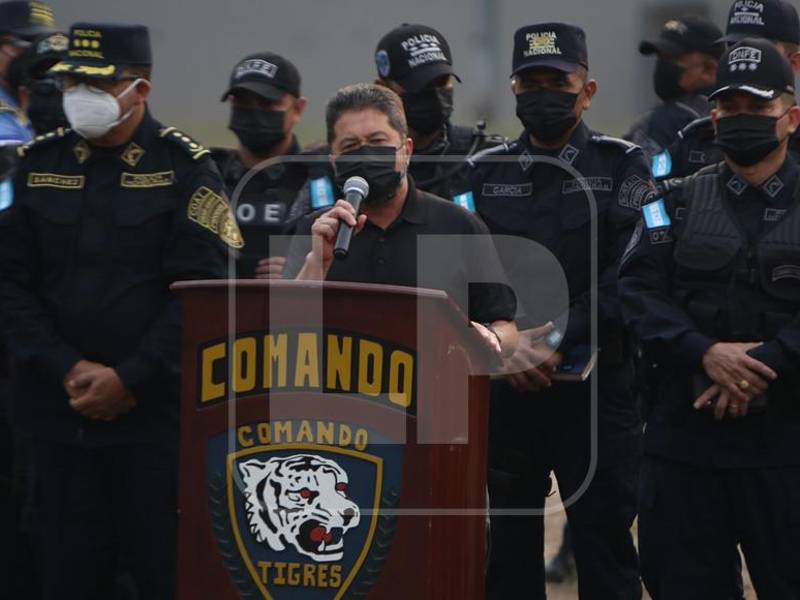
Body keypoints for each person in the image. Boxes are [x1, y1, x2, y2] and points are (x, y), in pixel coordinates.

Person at [0, 23, 238, 600]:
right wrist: (65, 367)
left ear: (141, 90)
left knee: (161, 573)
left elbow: (208, 290)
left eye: (99, 84)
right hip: (57, 419)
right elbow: (9, 284)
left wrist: (130, 377)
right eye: (74, 80)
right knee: (63, 575)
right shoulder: (39, 164)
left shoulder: (186, 169)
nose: (81, 94)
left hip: (152, 424)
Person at [469, 22, 649, 600]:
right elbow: (462, 275)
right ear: (514, 90)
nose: (544, 94)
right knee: (508, 555)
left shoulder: (624, 167)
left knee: (605, 549)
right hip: (505, 388)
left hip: (596, 397)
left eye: (559, 81)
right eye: (531, 82)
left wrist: (556, 337)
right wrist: (507, 343)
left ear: (587, 90)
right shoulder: (482, 174)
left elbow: (633, 275)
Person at [620, 38, 800, 599]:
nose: (741, 120)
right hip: (685, 447)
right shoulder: (668, 202)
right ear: (713, 114)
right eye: (730, 108)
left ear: (790, 118)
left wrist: (763, 363)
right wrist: (704, 351)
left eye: (758, 109)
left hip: (787, 449)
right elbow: (635, 290)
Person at [284, 82, 517, 357]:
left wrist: (490, 336)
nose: (367, 154)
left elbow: (506, 327)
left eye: (378, 141)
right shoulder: (317, 232)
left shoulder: (459, 226)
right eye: (351, 146)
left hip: (433, 393)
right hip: (339, 396)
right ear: (334, 159)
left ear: (406, 150)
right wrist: (317, 264)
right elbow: (283, 333)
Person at [212, 52, 332, 279]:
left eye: (268, 103)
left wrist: (304, 269)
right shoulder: (209, 174)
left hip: (291, 310)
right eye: (242, 102)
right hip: (220, 308)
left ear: (298, 109)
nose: (254, 112)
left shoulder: (320, 177)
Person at [657, 0, 800, 181]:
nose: (744, 58)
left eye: (761, 49)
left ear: (795, 62)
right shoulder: (693, 141)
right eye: (734, 46)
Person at [373, 23, 505, 203]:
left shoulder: (485, 156)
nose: (434, 94)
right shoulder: (363, 162)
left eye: (442, 81)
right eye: (420, 85)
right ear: (383, 89)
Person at [625, 16, 723, 158]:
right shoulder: (745, 113)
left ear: (709, 69)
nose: (662, 66)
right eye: (660, 58)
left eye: (671, 59)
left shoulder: (659, 122)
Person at [8, 29, 68, 135]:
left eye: (63, 77)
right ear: (24, 95)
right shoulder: (11, 145)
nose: (53, 86)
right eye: (43, 74)